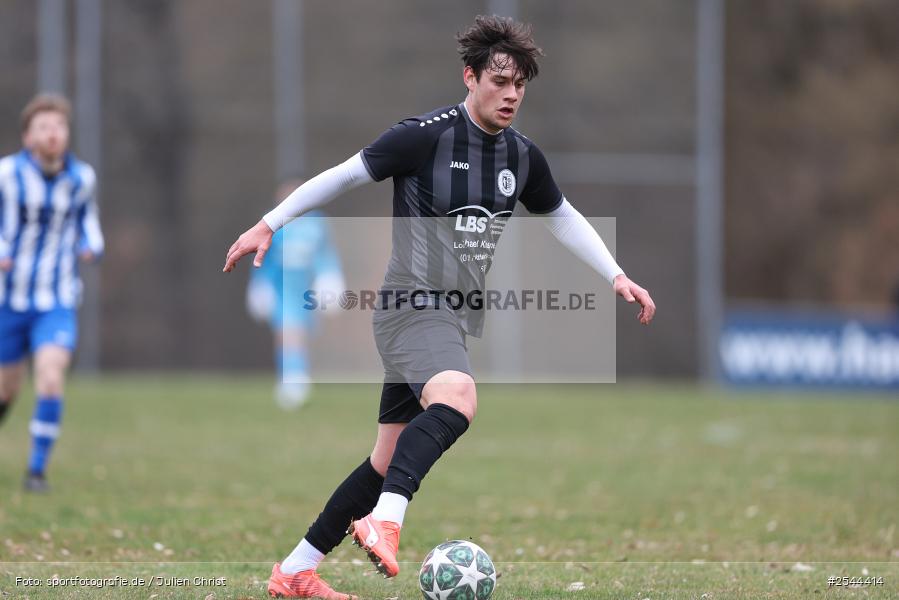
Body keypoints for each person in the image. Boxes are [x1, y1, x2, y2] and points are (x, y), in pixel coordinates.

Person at [224, 16, 655, 599]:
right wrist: (268, 223)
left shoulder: (523, 158)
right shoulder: (424, 136)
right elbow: (343, 177)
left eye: (520, 84)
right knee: (459, 397)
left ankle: (296, 570)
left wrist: (616, 275)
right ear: (469, 77)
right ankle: (387, 519)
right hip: (410, 304)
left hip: (448, 316)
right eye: (499, 80)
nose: (511, 94)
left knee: (384, 460)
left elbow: (561, 217)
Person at [0, 94, 104, 493]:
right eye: (43, 127)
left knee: (49, 377)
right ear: (28, 137)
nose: (52, 134)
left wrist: (93, 246)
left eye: (58, 126)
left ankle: (36, 471)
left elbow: (88, 223)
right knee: (7, 388)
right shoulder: (8, 174)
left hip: (56, 300)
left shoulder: (82, 179)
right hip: (9, 301)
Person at [246, 180, 345, 409]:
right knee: (287, 332)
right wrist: (260, 284)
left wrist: (329, 276)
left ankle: (297, 375)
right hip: (283, 288)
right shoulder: (272, 223)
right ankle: (292, 379)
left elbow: (325, 254)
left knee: (300, 334)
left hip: (307, 289)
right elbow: (265, 257)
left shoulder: (317, 223)